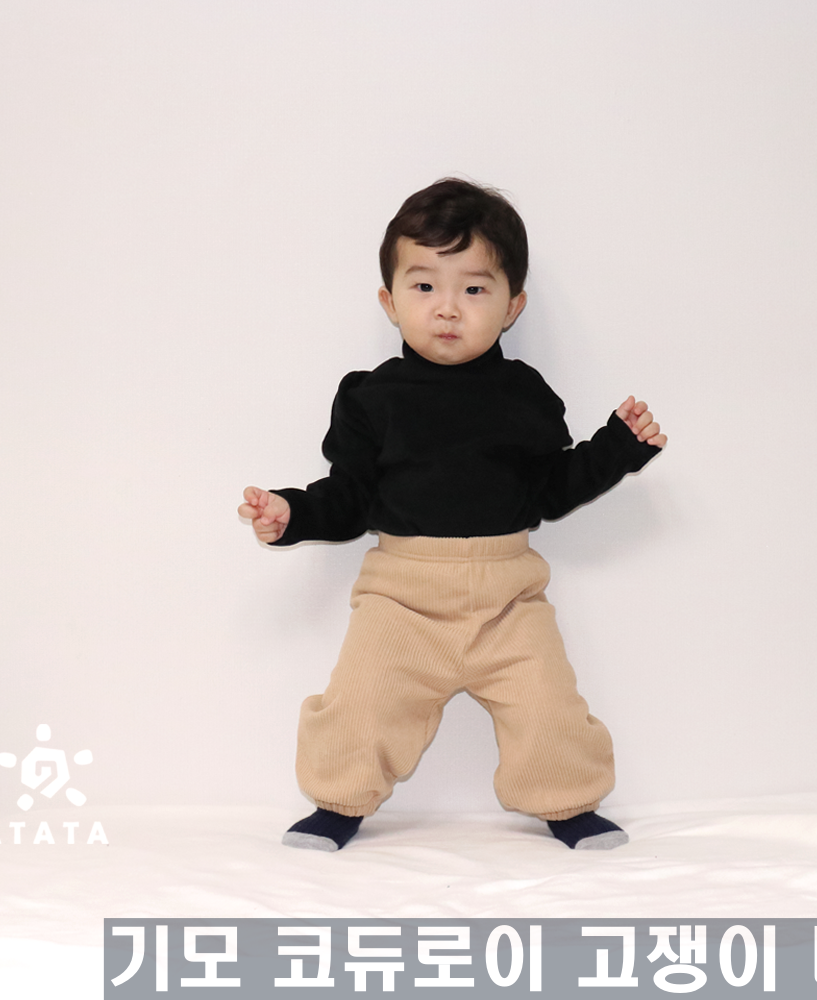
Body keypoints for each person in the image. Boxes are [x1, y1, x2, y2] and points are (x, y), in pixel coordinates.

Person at [238, 179, 666, 852]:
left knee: (549, 706)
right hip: (401, 600)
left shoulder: (525, 395)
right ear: (390, 301)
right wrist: (292, 513)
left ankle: (568, 803)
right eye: (424, 286)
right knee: (361, 703)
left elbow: (550, 491)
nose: (447, 307)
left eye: (473, 289)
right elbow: (349, 497)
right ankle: (340, 802)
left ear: (512, 306)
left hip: (508, 600)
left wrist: (618, 449)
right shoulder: (372, 399)